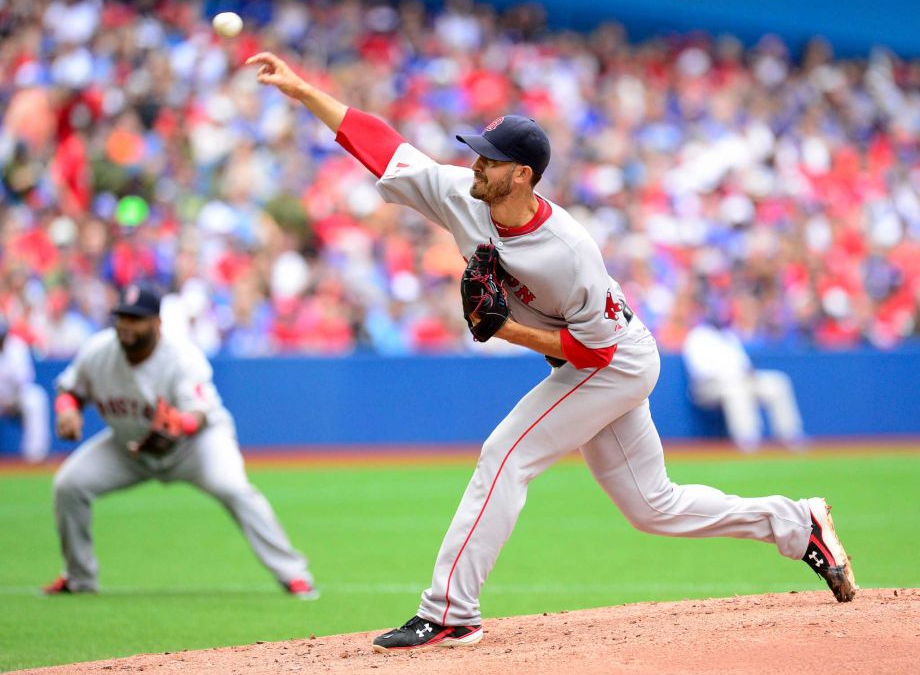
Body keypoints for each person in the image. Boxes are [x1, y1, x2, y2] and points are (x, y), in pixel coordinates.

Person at [247, 52, 857, 651]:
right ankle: (798, 523)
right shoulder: (465, 195)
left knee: (505, 453)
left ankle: (451, 612)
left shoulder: (568, 251)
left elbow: (593, 355)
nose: (474, 164)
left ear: (521, 175)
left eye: (489, 159)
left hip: (613, 360)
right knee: (653, 506)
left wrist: (507, 330)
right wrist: (302, 90)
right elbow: (382, 146)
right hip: (591, 359)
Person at [44, 284, 318, 599]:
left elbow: (199, 413)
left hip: (197, 446)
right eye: (122, 317)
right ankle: (79, 578)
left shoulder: (182, 357)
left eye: (136, 318)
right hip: (129, 447)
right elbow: (70, 389)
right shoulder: (98, 351)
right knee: (68, 485)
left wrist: (180, 422)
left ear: (157, 323)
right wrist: (67, 411)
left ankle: (293, 574)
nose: (126, 325)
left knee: (234, 489)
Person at [682, 318, 806, 452]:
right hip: (708, 388)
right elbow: (701, 371)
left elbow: (744, 363)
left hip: (741, 380)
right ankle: (748, 441)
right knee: (736, 390)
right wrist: (732, 375)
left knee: (778, 382)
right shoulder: (696, 336)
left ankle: (790, 436)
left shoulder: (728, 336)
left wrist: (746, 372)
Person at [0, 319, 51, 462]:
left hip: (17, 396)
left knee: (36, 399)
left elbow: (24, 379)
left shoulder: (17, 346)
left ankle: (34, 457)